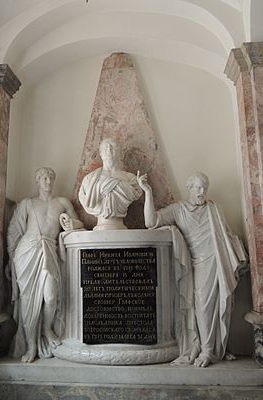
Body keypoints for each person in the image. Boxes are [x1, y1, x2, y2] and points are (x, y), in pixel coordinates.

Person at [137, 170, 246, 367]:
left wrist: (237, 256)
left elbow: (226, 235)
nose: (202, 191)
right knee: (203, 307)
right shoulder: (179, 210)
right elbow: (150, 222)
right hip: (200, 263)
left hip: (219, 261)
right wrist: (147, 192)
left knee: (222, 305)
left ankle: (218, 348)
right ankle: (206, 350)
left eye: (205, 187)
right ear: (189, 188)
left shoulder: (213, 208)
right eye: (198, 187)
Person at [7, 167, 83, 363]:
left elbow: (79, 222)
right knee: (28, 301)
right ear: (38, 181)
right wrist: (10, 258)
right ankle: (31, 346)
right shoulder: (28, 203)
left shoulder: (62, 202)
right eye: (44, 178)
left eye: (50, 177)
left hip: (49, 249)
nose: (48, 181)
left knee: (50, 296)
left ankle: (46, 328)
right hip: (27, 252)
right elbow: (14, 230)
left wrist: (71, 223)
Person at [79, 138, 142, 230]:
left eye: (113, 147)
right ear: (100, 153)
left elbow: (137, 191)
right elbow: (85, 200)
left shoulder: (131, 179)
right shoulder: (89, 180)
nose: (109, 149)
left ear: (120, 152)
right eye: (105, 147)